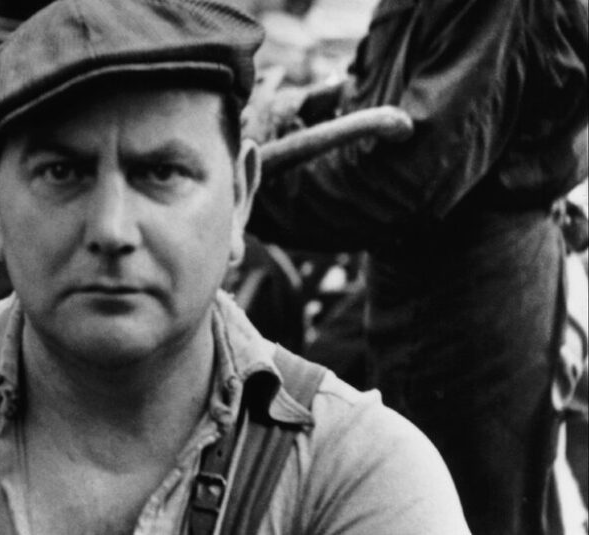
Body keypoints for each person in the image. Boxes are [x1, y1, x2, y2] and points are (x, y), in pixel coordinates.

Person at [0, 1, 469, 533]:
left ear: (241, 195)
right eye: (63, 172)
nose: (112, 230)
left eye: (162, 173)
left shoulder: (354, 471)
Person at [244, 0, 588, 533]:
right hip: (417, 277)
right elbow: (390, 86)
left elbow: (408, 180)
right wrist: (305, 105)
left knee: (463, 507)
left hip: (474, 295)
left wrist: (241, 195)